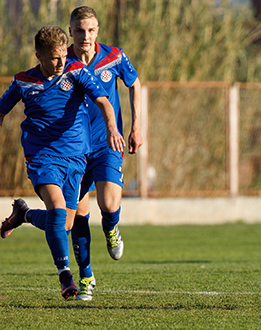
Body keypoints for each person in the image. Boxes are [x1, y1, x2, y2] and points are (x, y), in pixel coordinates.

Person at [0, 25, 124, 299]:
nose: (60, 62)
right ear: (39, 56)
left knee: (64, 223)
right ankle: (65, 275)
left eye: (62, 56)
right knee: (57, 209)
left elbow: (103, 101)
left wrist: (112, 128)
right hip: (43, 157)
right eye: (54, 58)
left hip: (76, 158)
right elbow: (1, 109)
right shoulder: (23, 81)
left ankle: (24, 215)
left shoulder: (76, 70)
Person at [66, 5, 142, 301]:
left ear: (97, 30)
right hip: (73, 150)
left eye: (91, 30)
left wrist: (136, 127)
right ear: (71, 31)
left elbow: (135, 84)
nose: (86, 36)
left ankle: (111, 229)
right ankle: (86, 278)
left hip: (108, 144)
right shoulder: (63, 63)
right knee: (78, 215)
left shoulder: (114, 57)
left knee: (109, 205)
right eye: (80, 30)